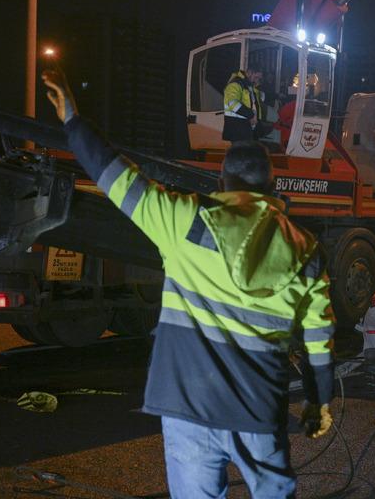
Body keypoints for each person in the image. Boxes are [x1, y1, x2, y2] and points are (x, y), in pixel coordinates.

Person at [42, 69, 335, 499]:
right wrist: (317, 401)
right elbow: (318, 340)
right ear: (271, 187)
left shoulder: (185, 222)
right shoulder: (304, 249)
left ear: (222, 182)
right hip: (257, 411)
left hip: (187, 408)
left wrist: (73, 120)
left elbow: (116, 176)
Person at [223, 68, 269, 142]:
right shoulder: (235, 84)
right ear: (249, 72)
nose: (256, 80)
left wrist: (258, 86)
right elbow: (233, 103)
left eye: (259, 79)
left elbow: (259, 98)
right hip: (236, 127)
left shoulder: (247, 85)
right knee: (240, 152)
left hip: (244, 127)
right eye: (256, 77)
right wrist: (251, 115)